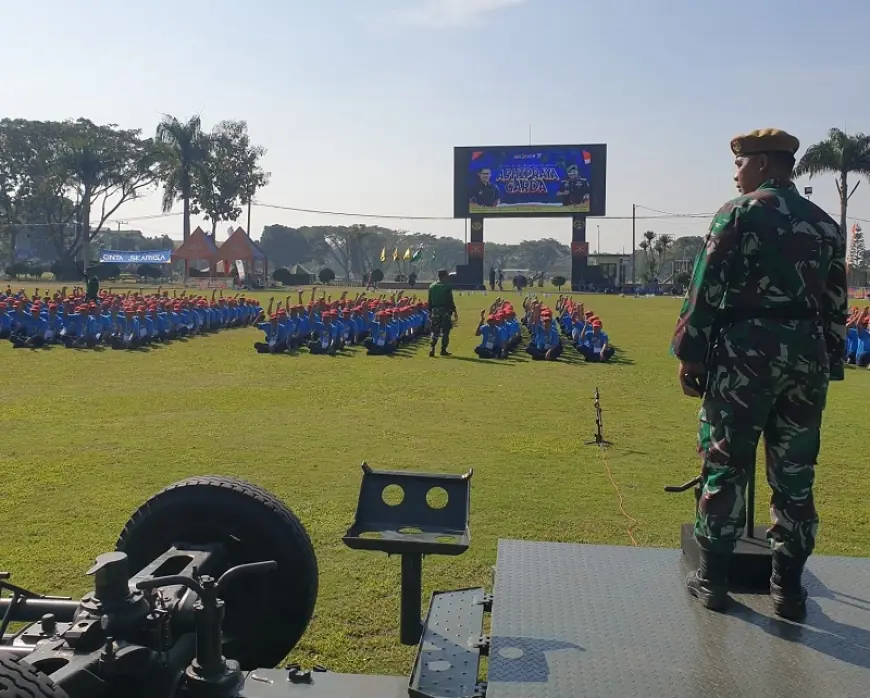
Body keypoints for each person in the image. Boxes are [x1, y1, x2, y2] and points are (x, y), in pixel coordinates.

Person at [671, 128, 847, 620]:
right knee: (795, 473)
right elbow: (836, 302)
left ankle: (712, 580)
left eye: (742, 161)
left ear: (766, 165)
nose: (736, 171)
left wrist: (691, 352)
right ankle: (787, 589)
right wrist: (830, 360)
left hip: (745, 356)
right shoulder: (824, 224)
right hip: (805, 360)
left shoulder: (739, 212)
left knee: (725, 463)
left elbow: (706, 285)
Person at [428, 269, 458, 357]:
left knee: (435, 330)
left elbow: (429, 301)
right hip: (445, 311)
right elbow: (450, 300)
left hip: (435, 311)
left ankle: (432, 348)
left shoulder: (432, 286)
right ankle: (443, 350)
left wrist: (430, 312)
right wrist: (454, 311)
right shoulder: (447, 287)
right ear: (444, 276)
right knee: (446, 331)